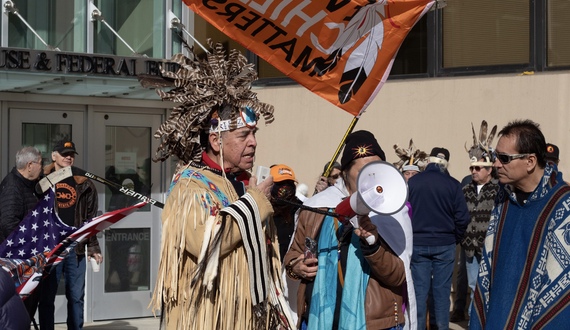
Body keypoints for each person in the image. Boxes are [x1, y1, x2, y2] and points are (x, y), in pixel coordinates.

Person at [141, 42, 294, 329]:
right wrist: (257, 202)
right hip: (208, 320)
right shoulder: (191, 186)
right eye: (244, 135)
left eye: (254, 134)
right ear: (215, 141)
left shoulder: (239, 183)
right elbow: (206, 243)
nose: (254, 142)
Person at [284, 130, 416, 330]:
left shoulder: (392, 213)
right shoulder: (316, 206)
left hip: (375, 323)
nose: (371, 177)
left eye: (376, 169)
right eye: (364, 171)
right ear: (345, 173)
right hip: (317, 320)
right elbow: (293, 254)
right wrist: (296, 266)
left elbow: (398, 275)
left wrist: (373, 245)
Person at [470, 119, 570, 329]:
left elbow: (562, 285)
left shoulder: (562, 204)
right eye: (497, 156)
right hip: (498, 315)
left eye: (504, 158)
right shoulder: (502, 200)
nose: (496, 164)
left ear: (530, 161)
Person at [38, 140, 102, 330]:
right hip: (51, 248)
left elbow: (91, 220)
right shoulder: (41, 181)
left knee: (76, 297)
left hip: (76, 248)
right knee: (47, 298)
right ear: (53, 156)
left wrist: (93, 247)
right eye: (64, 153)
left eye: (71, 154)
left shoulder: (83, 182)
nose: (69, 157)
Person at [408, 147, 470, 330]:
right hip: (444, 244)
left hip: (418, 243)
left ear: (428, 161)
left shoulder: (413, 182)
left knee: (419, 293)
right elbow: (463, 218)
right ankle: (441, 327)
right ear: (446, 163)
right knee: (442, 294)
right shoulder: (452, 184)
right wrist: (454, 238)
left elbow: (404, 212)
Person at [458, 120, 499, 322]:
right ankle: (475, 323)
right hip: (469, 247)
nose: (473, 171)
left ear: (489, 169)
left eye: (478, 168)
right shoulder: (465, 190)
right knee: (473, 285)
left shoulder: (499, 189)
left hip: (489, 248)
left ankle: (491, 322)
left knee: (491, 287)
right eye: (472, 167)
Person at [0, 146, 43, 321]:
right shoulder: (13, 186)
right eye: (40, 163)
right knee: (21, 310)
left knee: (29, 307)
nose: (42, 167)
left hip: (27, 258)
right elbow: (8, 224)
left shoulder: (29, 185)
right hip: (18, 261)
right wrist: (28, 248)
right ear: (30, 165)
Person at [269, 164, 302, 260]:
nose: (286, 188)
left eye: (289, 183)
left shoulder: (300, 209)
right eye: (281, 184)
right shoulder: (264, 210)